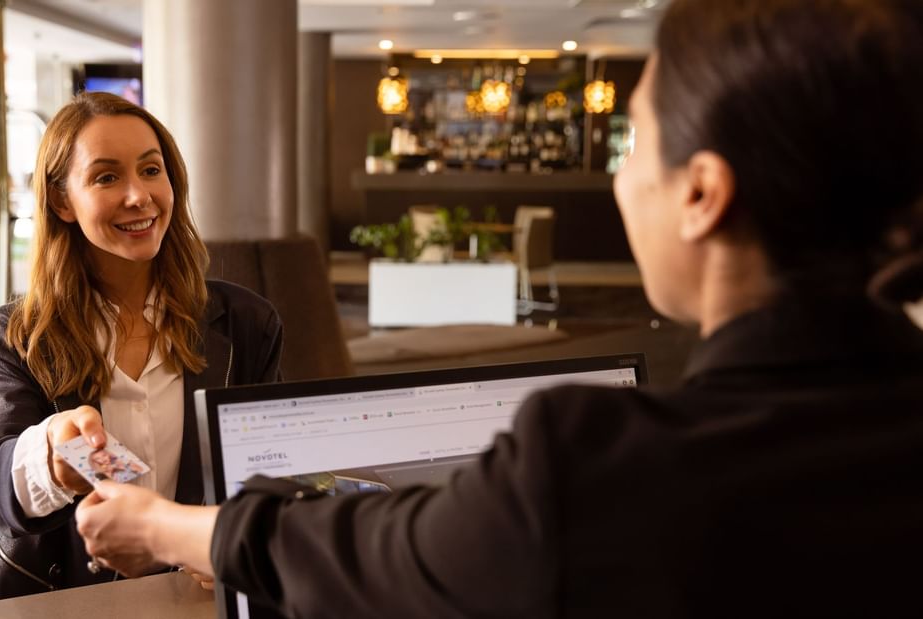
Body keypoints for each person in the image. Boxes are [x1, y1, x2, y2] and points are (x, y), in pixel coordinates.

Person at [76, 0, 923, 616]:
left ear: (701, 193)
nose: (624, 177)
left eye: (636, 141)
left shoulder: (604, 467)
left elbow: (370, 549)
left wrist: (159, 524)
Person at [0, 91, 283, 602]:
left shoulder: (245, 323)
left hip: (198, 597)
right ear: (62, 200)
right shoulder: (14, 335)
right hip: (61, 599)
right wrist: (50, 455)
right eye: (106, 177)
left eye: (151, 170)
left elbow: (270, 467)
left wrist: (229, 539)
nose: (139, 196)